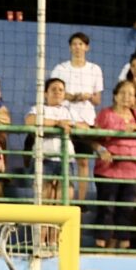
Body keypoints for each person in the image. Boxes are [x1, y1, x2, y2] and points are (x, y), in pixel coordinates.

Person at [92, 81, 136, 249]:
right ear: (115, 96)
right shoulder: (106, 114)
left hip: (131, 171)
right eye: (123, 93)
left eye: (131, 94)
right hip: (108, 171)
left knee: (126, 210)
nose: (127, 97)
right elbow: (92, 138)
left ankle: (122, 246)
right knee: (107, 209)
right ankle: (102, 246)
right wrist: (101, 150)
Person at [49, 33, 104, 201]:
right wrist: (71, 97)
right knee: (58, 160)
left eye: (81, 44)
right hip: (63, 119)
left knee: (83, 162)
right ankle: (56, 199)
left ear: (86, 47)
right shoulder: (61, 69)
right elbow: (52, 92)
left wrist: (87, 96)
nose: (77, 47)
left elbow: (97, 99)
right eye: (74, 44)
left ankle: (80, 200)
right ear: (70, 47)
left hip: (85, 121)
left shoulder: (94, 69)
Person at [25, 77, 75, 204]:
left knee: (65, 195)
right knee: (44, 195)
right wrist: (57, 123)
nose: (57, 92)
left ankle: (59, 224)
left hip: (65, 160)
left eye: (61, 90)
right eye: (53, 89)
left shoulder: (69, 112)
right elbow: (30, 121)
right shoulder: (39, 108)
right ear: (45, 93)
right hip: (44, 159)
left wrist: (71, 124)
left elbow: (83, 126)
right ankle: (43, 225)